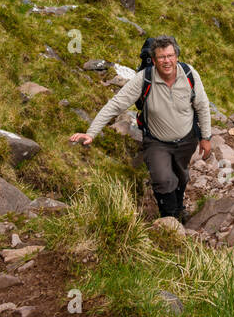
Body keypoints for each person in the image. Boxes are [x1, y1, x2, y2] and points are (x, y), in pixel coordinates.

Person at [69, 36, 212, 219]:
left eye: (170, 55)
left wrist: (206, 137)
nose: (166, 61)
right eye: (161, 57)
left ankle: (178, 207)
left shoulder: (189, 74)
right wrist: (91, 132)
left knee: (181, 176)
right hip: (157, 142)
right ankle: (170, 221)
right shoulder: (144, 79)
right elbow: (116, 104)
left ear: (176, 56)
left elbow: (202, 106)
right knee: (163, 179)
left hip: (187, 140)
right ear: (153, 60)